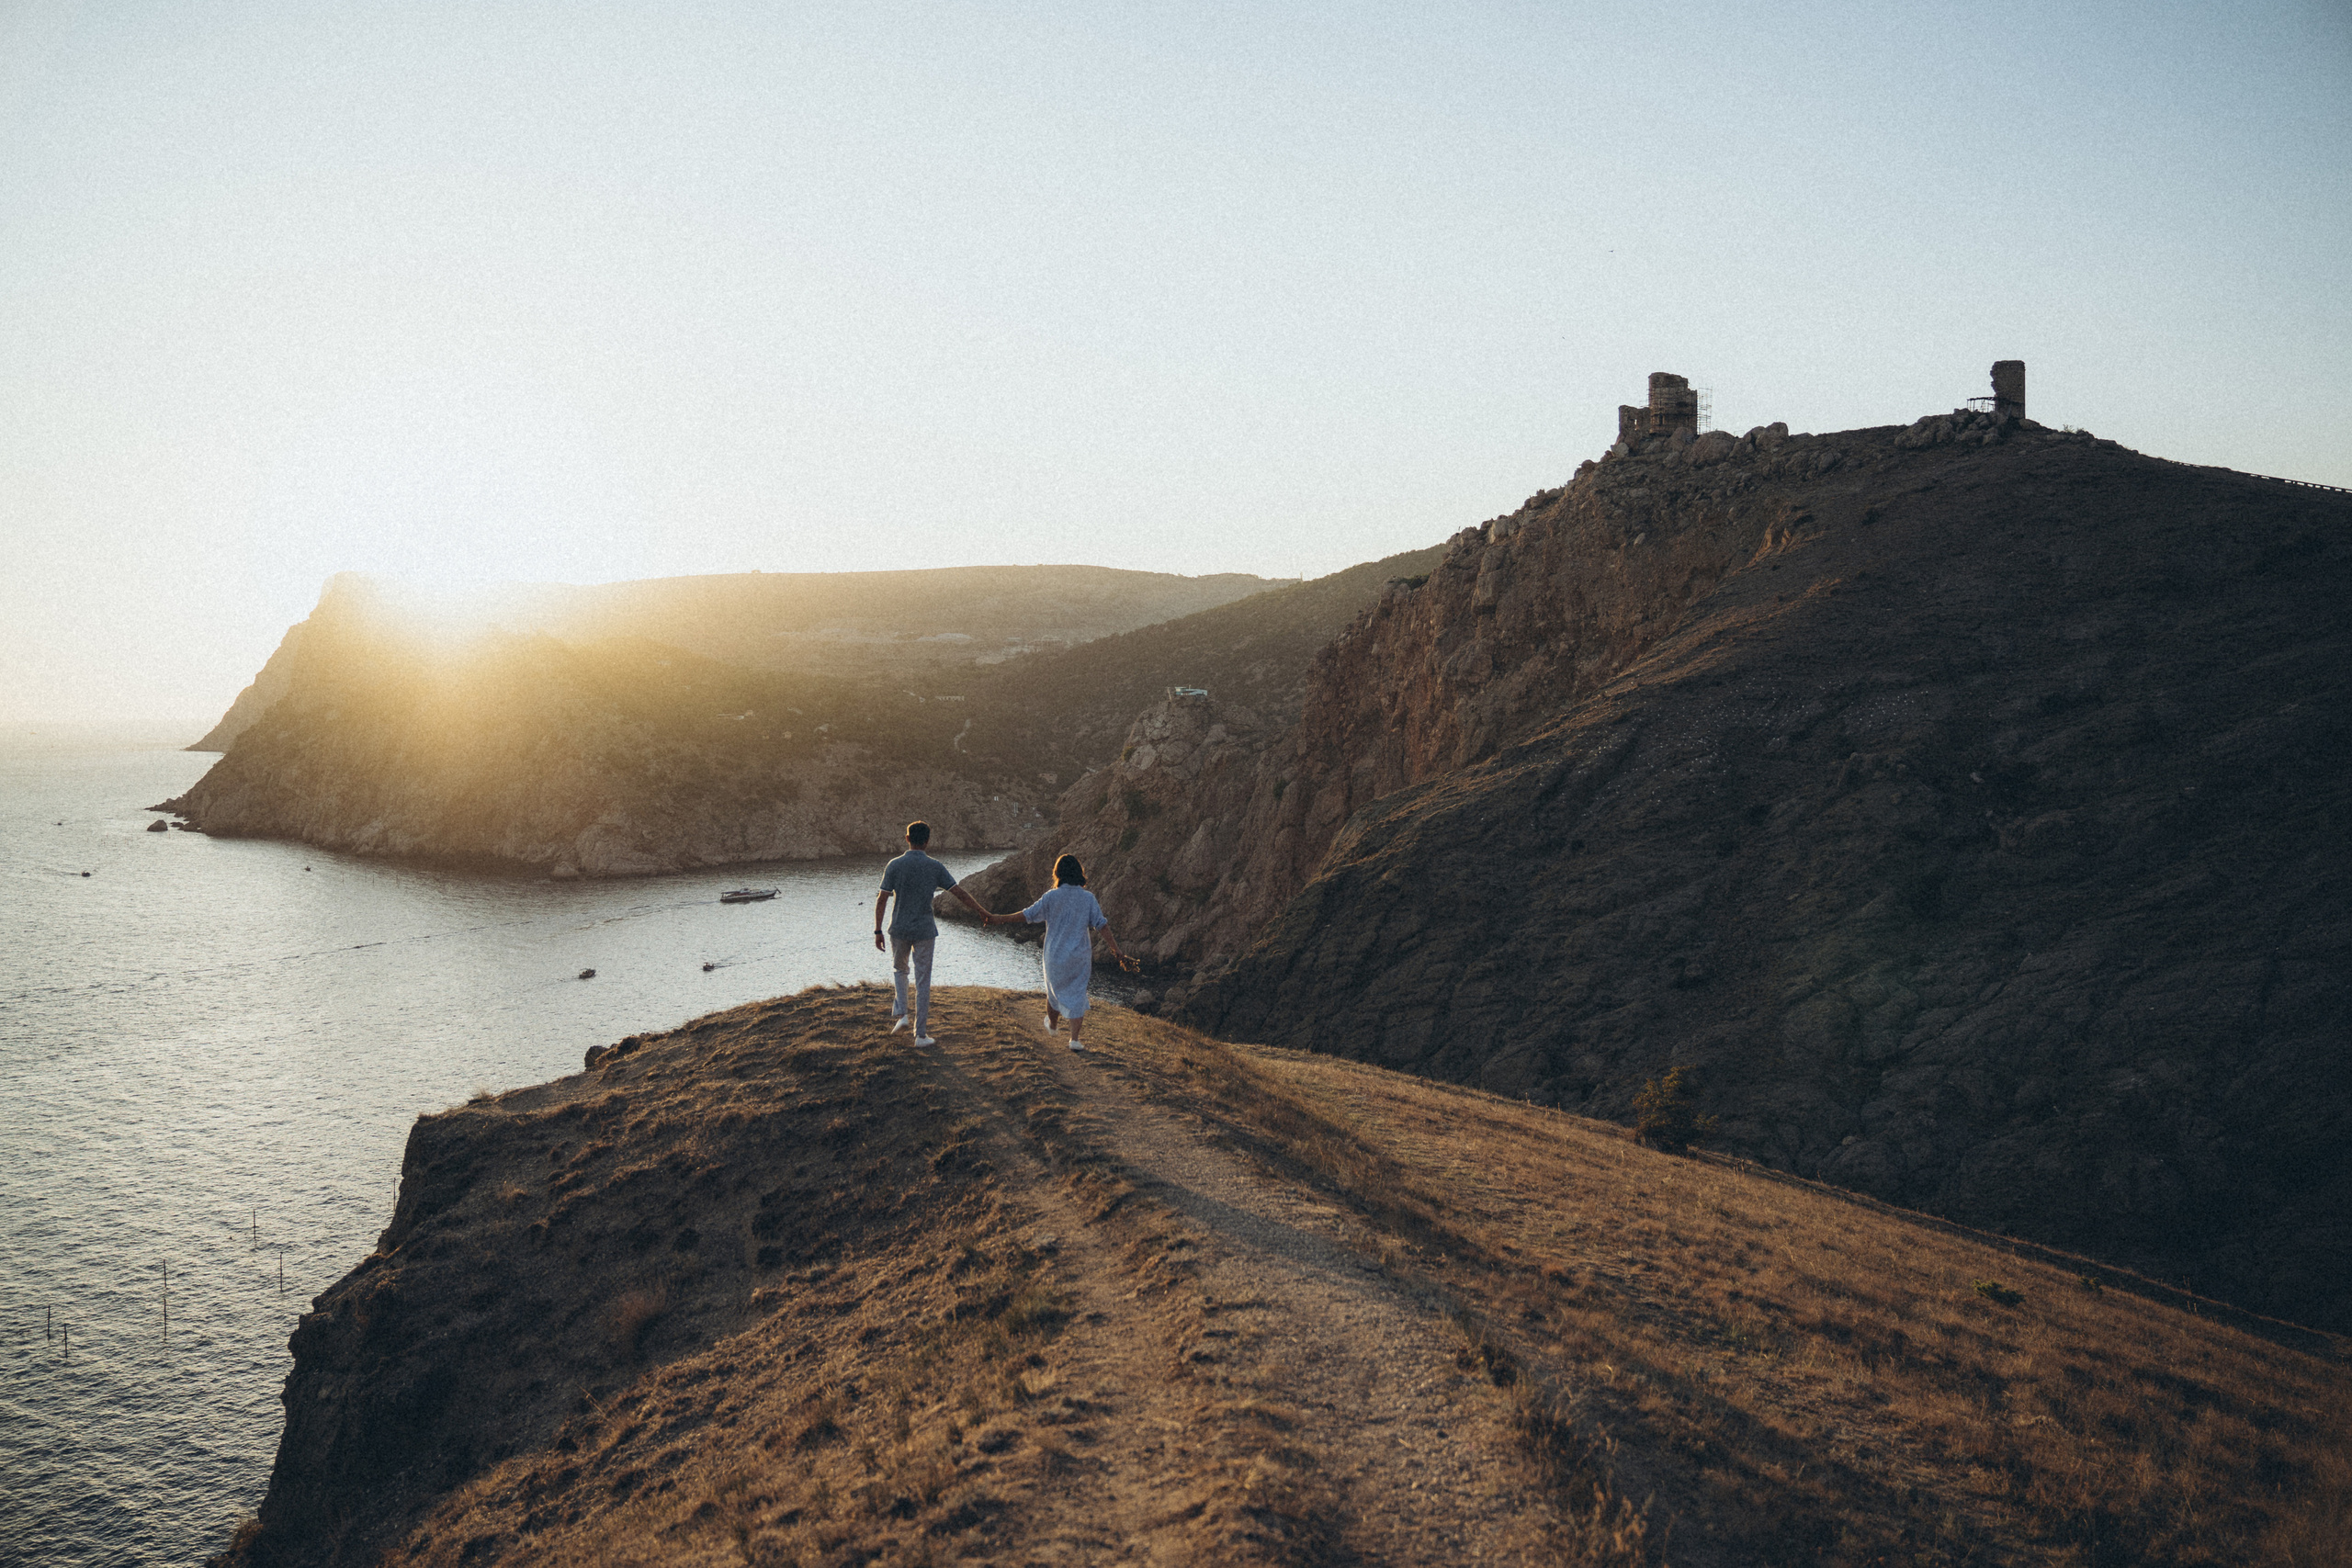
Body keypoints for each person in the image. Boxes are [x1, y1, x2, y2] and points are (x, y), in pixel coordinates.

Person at [984, 852, 1134, 1051]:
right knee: (1077, 994)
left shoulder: (1051, 897)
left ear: (1058, 873)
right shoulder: (1088, 898)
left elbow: (1027, 915)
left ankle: (1053, 1025)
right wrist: (1117, 951)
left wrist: (998, 918)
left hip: (1054, 955)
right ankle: (1074, 1039)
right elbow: (1102, 925)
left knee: (1053, 993)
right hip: (1079, 956)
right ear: (1079, 873)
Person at [874, 821, 993, 1045]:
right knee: (922, 981)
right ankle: (920, 1035)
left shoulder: (894, 865)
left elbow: (882, 899)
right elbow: (959, 893)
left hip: (898, 927)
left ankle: (903, 1015)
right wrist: (981, 911)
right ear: (928, 841)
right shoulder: (935, 866)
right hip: (925, 930)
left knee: (900, 970)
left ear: (907, 838)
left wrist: (877, 930)